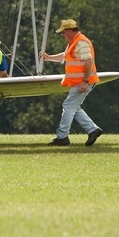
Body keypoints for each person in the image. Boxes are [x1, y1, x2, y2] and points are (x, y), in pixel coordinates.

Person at [40, 19, 103, 147]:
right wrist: (49, 57)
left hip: (83, 82)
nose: (63, 36)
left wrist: (85, 81)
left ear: (69, 31)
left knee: (68, 106)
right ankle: (93, 129)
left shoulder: (81, 42)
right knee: (74, 107)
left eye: (63, 33)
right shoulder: (74, 42)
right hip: (80, 82)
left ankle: (62, 137)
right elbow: (65, 56)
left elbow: (88, 62)